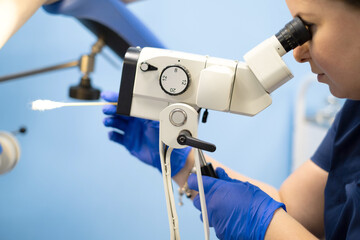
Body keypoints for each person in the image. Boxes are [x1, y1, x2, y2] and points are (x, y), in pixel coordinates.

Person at [102, 0, 360, 239]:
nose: (298, 53)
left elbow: (273, 220)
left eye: (309, 28)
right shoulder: (354, 114)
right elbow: (292, 210)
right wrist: (181, 160)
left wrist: (261, 222)